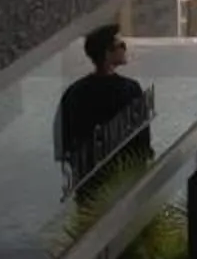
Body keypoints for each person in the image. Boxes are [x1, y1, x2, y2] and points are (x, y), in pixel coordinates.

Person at [53, 22, 153, 189]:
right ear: (108, 53)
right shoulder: (129, 89)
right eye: (121, 45)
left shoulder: (75, 92)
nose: (125, 48)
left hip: (89, 181)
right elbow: (141, 138)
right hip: (123, 181)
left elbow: (65, 138)